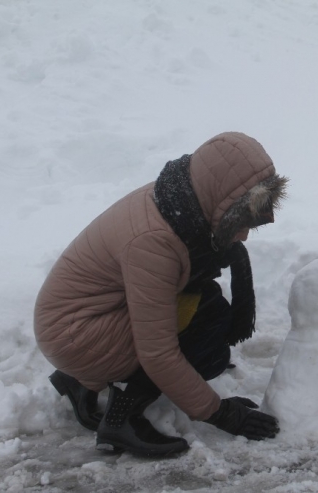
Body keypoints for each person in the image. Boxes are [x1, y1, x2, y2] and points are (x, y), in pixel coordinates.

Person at [34, 132, 287, 457]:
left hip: (79, 318)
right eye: (240, 221)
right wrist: (222, 414)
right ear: (218, 200)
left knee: (207, 308)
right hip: (77, 333)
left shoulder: (176, 200)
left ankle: (81, 383)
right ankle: (121, 419)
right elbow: (158, 353)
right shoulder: (155, 241)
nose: (244, 236)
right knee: (203, 343)